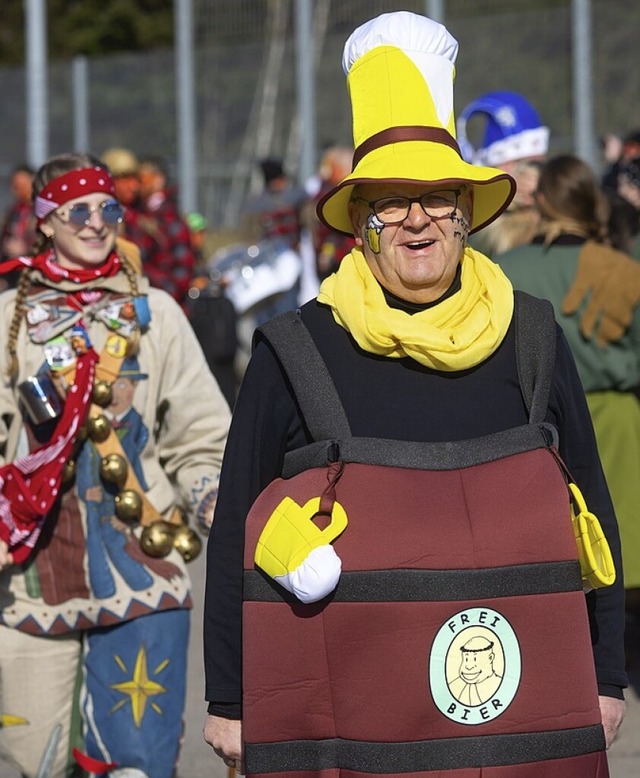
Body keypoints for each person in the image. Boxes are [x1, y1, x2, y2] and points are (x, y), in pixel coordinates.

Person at [203, 12, 626, 777]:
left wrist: (604, 674)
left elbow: (590, 507)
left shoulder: (531, 337)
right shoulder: (295, 349)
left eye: (437, 197)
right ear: (360, 224)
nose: (417, 219)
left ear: (468, 212)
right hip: (355, 721)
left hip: (522, 718)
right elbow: (239, 520)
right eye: (390, 202)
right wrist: (229, 700)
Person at [0, 152, 230, 778]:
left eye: (109, 208)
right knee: (33, 758)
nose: (97, 222)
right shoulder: (7, 319)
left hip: (141, 567)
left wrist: (210, 494)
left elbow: (202, 431)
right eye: (79, 210)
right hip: (29, 579)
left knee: (137, 763)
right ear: (45, 221)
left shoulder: (155, 313)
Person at [497, 153, 640, 666]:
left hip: (534, 425)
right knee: (623, 542)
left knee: (552, 543)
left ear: (543, 202)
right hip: (618, 420)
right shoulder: (623, 269)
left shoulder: (504, 270)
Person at [457, 90, 550, 257]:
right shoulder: (475, 220)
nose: (533, 174)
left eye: (537, 164)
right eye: (521, 164)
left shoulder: (550, 214)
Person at [137, 154, 198, 309]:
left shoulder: (168, 217)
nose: (138, 185)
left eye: (143, 178)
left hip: (166, 303)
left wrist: (168, 294)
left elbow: (182, 266)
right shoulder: (141, 212)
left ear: (159, 179)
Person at [0, 164, 36, 289]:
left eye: (23, 185)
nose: (18, 190)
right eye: (15, 186)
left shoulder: (43, 212)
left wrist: (26, 249)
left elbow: (51, 238)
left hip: (34, 273)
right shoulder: (14, 212)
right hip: (12, 272)